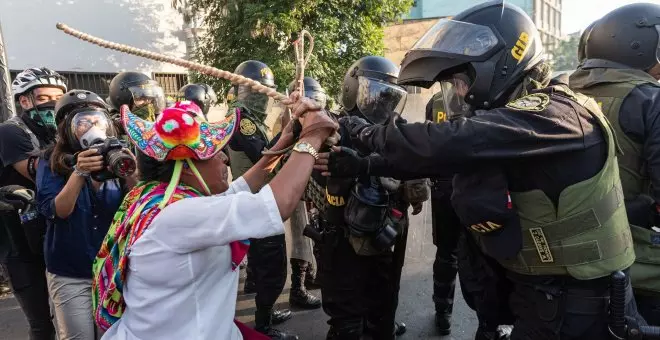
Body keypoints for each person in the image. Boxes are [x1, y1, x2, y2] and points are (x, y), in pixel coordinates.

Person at [308, 2, 643, 339]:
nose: (458, 93)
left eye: (460, 82)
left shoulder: (553, 113)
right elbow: (443, 161)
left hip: (579, 305)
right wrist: (365, 164)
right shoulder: (516, 122)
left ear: (499, 66)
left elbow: (447, 144)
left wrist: (361, 129)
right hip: (541, 294)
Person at [92, 99, 337, 340]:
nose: (225, 159)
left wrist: (286, 140)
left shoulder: (156, 197)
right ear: (186, 167)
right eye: (215, 153)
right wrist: (312, 138)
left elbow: (239, 190)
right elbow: (278, 204)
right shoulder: (181, 214)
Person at [311, 55, 420, 340]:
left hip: (387, 236)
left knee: (383, 309)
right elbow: (314, 174)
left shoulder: (397, 132)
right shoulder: (334, 128)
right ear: (352, 90)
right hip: (344, 238)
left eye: (389, 98)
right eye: (376, 95)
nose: (382, 105)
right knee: (346, 320)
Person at [568, 3, 660, 325]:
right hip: (642, 266)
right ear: (640, 47)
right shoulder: (651, 100)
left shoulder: (564, 94)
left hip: (574, 261)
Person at [36, 89, 137, 340]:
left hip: (112, 271)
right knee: (77, 336)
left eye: (97, 121)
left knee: (113, 335)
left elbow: (140, 201)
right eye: (83, 122)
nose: (92, 128)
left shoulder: (117, 154)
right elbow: (58, 210)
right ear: (66, 129)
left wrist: (128, 168)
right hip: (70, 270)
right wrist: (79, 172)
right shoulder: (50, 160)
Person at [225, 60, 294, 339]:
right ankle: (264, 324)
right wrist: (289, 134)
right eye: (262, 93)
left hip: (253, 199)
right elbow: (264, 156)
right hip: (256, 201)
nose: (266, 99)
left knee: (262, 265)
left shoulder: (246, 118)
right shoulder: (243, 120)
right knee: (273, 267)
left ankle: (264, 310)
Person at [0, 67, 67, 340]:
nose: (52, 103)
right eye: (43, 98)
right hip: (18, 238)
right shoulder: (10, 132)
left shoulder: (61, 131)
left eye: (58, 98)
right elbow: (38, 172)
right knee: (42, 323)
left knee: (78, 312)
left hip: (55, 232)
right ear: (24, 101)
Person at [284, 77, 325, 310]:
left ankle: (310, 277)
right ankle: (297, 290)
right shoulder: (291, 122)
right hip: (296, 190)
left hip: (310, 189)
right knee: (300, 240)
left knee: (311, 237)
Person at [424, 93, 462, 336]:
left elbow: (428, 143)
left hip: (444, 186)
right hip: (477, 185)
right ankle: (489, 322)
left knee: (447, 254)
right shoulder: (488, 94)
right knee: (484, 255)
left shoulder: (437, 101)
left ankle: (443, 313)